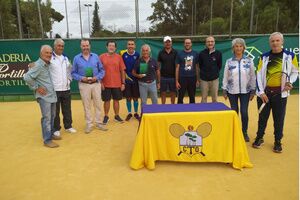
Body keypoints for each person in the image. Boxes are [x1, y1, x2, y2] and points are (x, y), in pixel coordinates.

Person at [252, 32, 299, 152]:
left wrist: (290, 82)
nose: (275, 43)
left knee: (279, 119)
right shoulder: (264, 57)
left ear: (282, 42)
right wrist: (261, 93)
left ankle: (278, 141)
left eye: (277, 40)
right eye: (273, 41)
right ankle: (259, 137)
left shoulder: (290, 56)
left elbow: (295, 72)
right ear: (270, 43)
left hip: (280, 95)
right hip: (265, 95)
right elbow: (258, 75)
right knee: (262, 118)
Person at [24, 45, 60, 148]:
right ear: (41, 54)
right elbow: (27, 77)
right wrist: (36, 87)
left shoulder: (47, 64)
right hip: (44, 97)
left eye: (50, 53)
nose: (48, 55)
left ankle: (51, 134)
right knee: (47, 118)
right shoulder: (39, 65)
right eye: (46, 53)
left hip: (51, 95)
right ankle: (47, 140)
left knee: (52, 116)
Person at [222, 38, 256, 142]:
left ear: (244, 48)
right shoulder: (229, 61)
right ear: (233, 48)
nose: (238, 48)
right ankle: (235, 131)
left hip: (246, 91)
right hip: (232, 91)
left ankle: (244, 132)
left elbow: (252, 76)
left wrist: (253, 90)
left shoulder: (249, 60)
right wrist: (224, 89)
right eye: (236, 46)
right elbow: (225, 76)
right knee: (234, 111)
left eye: (241, 46)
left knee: (244, 112)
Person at [71, 39, 107, 133]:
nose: (85, 47)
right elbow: (73, 73)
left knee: (98, 104)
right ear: (81, 46)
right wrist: (81, 78)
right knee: (86, 105)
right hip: (84, 84)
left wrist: (97, 77)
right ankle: (89, 124)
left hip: (96, 84)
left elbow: (102, 70)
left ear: (90, 46)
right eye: (83, 46)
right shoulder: (76, 58)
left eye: (87, 45)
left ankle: (99, 123)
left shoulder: (95, 56)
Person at [50, 38, 76, 137]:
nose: (60, 47)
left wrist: (69, 81)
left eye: (62, 46)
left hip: (66, 89)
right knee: (55, 110)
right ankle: (56, 128)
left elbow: (70, 70)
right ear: (54, 46)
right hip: (55, 89)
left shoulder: (66, 58)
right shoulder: (50, 57)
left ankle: (68, 126)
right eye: (59, 45)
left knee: (67, 109)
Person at [99, 40, 126, 124]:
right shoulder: (101, 57)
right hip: (105, 84)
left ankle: (116, 116)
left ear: (115, 48)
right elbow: (98, 70)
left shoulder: (119, 57)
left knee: (116, 100)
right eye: (110, 46)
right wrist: (101, 82)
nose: (111, 47)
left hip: (117, 83)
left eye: (113, 46)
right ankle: (106, 116)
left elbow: (122, 71)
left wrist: (123, 83)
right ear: (107, 47)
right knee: (106, 101)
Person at [120, 40, 140, 121]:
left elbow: (140, 67)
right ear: (127, 46)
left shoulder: (137, 54)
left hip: (136, 80)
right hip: (127, 80)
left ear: (134, 46)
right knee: (128, 98)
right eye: (129, 44)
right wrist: (124, 80)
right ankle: (129, 113)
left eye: (132, 44)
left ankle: (135, 113)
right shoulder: (124, 55)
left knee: (135, 97)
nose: (130, 46)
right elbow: (122, 69)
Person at [175, 38, 200, 104]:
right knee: (180, 97)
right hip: (182, 78)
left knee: (192, 96)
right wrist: (177, 81)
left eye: (189, 43)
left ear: (191, 44)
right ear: (184, 44)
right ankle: (179, 111)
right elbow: (177, 68)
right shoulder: (179, 54)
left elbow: (197, 67)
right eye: (186, 43)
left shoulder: (195, 54)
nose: (187, 44)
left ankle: (192, 112)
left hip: (192, 78)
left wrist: (197, 79)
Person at [199, 36, 222, 102]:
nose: (210, 43)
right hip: (204, 80)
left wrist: (214, 73)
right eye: (208, 42)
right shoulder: (201, 53)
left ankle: (214, 112)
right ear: (205, 43)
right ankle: (203, 111)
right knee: (204, 98)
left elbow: (219, 66)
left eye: (212, 41)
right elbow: (200, 66)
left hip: (214, 79)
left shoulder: (218, 53)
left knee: (214, 98)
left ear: (214, 43)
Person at [157, 36, 177, 104]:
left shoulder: (175, 52)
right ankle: (163, 107)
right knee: (163, 93)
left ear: (171, 42)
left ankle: (173, 107)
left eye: (169, 42)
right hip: (163, 77)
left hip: (173, 77)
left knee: (173, 93)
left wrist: (177, 79)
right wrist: (159, 80)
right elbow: (158, 67)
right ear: (164, 43)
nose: (168, 43)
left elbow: (177, 66)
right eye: (166, 42)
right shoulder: (161, 53)